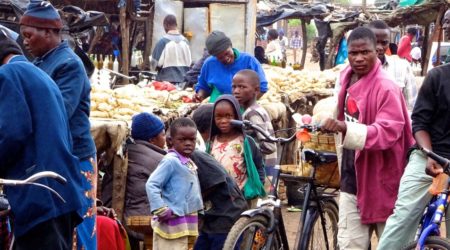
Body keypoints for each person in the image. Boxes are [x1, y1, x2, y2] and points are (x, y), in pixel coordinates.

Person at [321, 27, 414, 249]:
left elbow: (388, 131)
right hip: (351, 175)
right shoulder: (345, 77)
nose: (359, 58)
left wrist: (345, 128)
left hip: (382, 175)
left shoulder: (387, 87)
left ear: (378, 52)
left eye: (366, 52)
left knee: (390, 243)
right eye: (353, 53)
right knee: (350, 243)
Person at [19, 1, 97, 249]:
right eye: (23, 37)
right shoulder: (39, 63)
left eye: (29, 36)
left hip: (75, 158)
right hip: (54, 157)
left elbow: (57, 113)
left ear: (50, 32)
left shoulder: (69, 65)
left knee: (77, 224)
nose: (26, 42)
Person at [0, 32, 85, 249]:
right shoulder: (38, 74)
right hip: (57, 188)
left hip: (40, 191)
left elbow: (11, 133)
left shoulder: (9, 73)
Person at [377, 9, 450, 249]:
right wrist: (430, 155)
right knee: (402, 219)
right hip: (430, 158)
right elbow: (419, 123)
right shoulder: (438, 77)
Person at [146, 118, 203, 250]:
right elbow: (152, 184)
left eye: (192, 140)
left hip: (184, 221)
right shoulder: (170, 161)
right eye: (182, 140)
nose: (188, 144)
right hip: (171, 220)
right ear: (170, 141)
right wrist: (161, 209)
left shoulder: (186, 161)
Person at [208, 95, 266, 205]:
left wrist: (256, 186)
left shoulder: (245, 141)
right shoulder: (211, 142)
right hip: (219, 197)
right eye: (218, 117)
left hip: (242, 196)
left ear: (237, 116)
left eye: (228, 116)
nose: (223, 121)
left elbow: (259, 166)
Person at [124, 112, 166, 250]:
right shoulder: (159, 160)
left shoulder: (126, 150)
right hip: (141, 222)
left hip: (120, 216)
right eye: (163, 135)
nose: (166, 139)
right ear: (152, 140)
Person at [193, 31, 268, 103]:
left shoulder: (249, 60)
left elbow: (262, 87)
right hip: (217, 108)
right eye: (220, 57)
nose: (226, 58)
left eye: (227, 53)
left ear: (231, 46)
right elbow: (203, 86)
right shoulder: (209, 64)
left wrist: (246, 103)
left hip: (242, 109)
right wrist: (200, 96)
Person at [232, 69, 277, 174]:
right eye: (234, 87)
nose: (236, 91)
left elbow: (269, 146)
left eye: (242, 87)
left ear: (256, 90)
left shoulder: (252, 113)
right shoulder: (253, 110)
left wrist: (246, 152)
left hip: (262, 169)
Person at [368, 20, 417, 110]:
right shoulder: (352, 70)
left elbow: (411, 106)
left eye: (384, 43)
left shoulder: (403, 67)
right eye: (374, 42)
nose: (379, 47)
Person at [150, 14, 191, 85]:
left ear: (166, 25)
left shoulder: (162, 42)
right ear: (176, 25)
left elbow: (154, 64)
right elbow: (190, 62)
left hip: (166, 83)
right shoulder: (186, 42)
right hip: (184, 82)